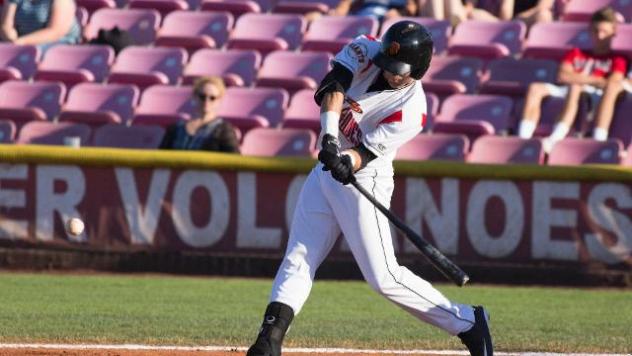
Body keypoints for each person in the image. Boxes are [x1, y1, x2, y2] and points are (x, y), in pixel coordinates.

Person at [246, 21, 492, 356]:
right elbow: (335, 85)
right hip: (326, 169)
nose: (392, 74)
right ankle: (269, 339)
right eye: (388, 66)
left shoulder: (413, 109)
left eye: (400, 71)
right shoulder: (365, 47)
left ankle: (468, 321)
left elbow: (364, 155)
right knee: (300, 255)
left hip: (366, 178)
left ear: (418, 70)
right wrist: (330, 137)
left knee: (384, 277)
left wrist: (345, 159)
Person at [516, 7, 627, 152]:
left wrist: (578, 79)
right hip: (569, 88)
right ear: (589, 31)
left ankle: (556, 138)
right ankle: (522, 139)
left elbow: (611, 82)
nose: (600, 36)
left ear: (614, 32)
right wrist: (595, 79)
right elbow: (562, 75)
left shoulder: (618, 59)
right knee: (535, 88)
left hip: (594, 95)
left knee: (574, 87)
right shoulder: (576, 52)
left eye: (604, 32)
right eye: (596, 31)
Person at [159, 76, 240, 153]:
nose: (206, 101)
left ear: (219, 101)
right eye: (202, 96)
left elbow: (234, 161)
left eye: (212, 98)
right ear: (194, 97)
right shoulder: (175, 128)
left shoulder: (224, 130)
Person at [0, 0, 81, 53]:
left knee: (31, 52)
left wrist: (19, 43)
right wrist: (11, 41)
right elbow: (6, 26)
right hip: (20, 41)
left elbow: (55, 32)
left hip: (58, 42)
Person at [418, 0, 554, 27]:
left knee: (543, 15)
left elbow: (505, 15)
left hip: (515, 23)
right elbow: (471, 7)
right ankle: (441, 34)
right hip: (490, 21)